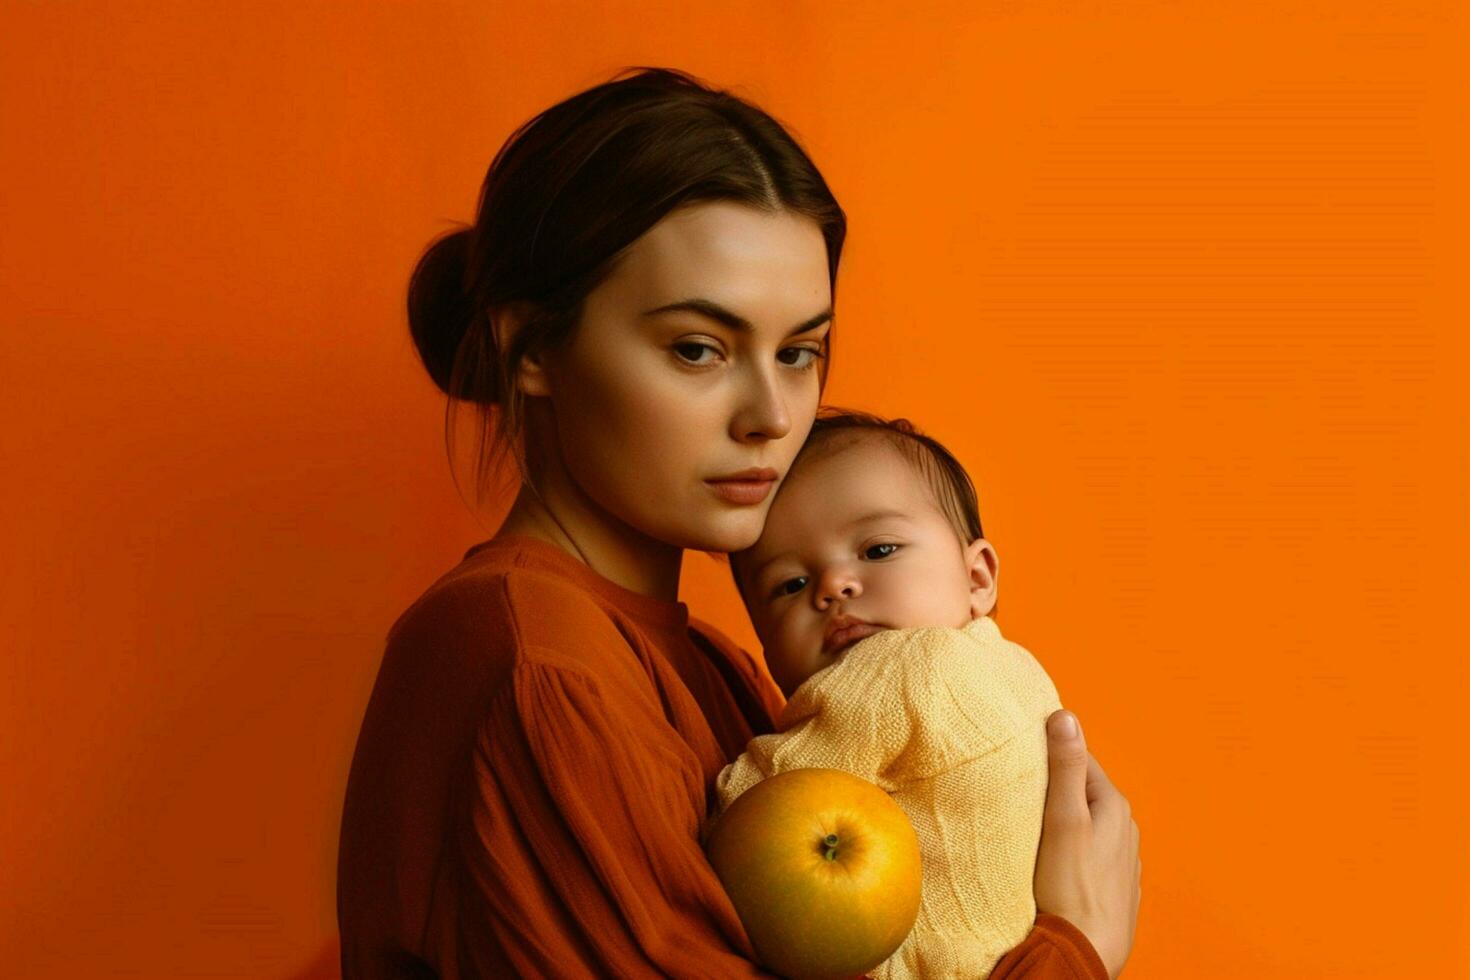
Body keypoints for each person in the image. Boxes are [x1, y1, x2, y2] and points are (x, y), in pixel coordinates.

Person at [337, 67, 1140, 979]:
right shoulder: (535, 664)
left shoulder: (721, 669)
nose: (771, 412)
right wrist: (1073, 947)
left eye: (799, 352)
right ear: (533, 348)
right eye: (697, 348)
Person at [718, 409, 1096, 978]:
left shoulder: (903, 669)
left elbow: (758, 806)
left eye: (878, 551)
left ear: (978, 577)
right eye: (789, 585)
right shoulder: (1018, 669)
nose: (833, 587)